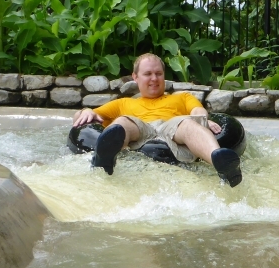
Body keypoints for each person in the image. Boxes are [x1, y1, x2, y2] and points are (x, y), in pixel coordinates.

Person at [71, 53, 243, 186]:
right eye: (148, 74)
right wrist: (85, 111)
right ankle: (105, 158)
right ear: (135, 77)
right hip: (139, 131)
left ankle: (221, 162)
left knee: (187, 124)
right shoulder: (123, 103)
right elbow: (89, 117)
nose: (154, 78)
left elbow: (198, 110)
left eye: (158, 73)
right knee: (123, 122)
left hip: (173, 129)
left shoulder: (182, 97)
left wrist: (204, 120)